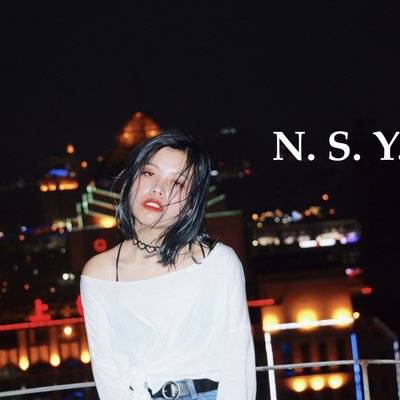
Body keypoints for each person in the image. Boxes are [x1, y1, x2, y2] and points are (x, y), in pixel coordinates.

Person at [80, 131, 257, 400]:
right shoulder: (99, 274)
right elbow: (107, 374)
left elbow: (238, 360)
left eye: (177, 183)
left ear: (191, 203)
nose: (158, 189)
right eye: (149, 173)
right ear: (131, 180)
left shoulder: (218, 262)